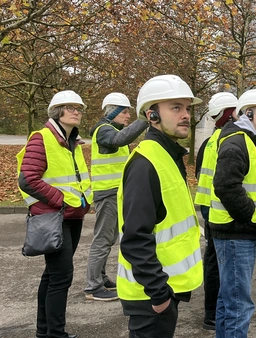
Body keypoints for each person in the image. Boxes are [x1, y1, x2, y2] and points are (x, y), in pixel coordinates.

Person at [117, 75, 204, 338]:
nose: (186, 115)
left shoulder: (168, 155)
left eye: (187, 108)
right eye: (176, 108)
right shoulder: (146, 163)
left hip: (163, 289)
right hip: (151, 295)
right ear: (152, 114)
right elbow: (135, 238)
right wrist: (159, 294)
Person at [17, 90, 93, 338]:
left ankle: (44, 331)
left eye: (78, 107)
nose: (76, 111)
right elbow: (27, 179)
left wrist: (83, 202)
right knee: (61, 277)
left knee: (52, 276)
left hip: (72, 216)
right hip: (55, 216)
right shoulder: (42, 138)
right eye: (69, 107)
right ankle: (56, 333)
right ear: (56, 111)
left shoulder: (73, 142)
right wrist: (61, 200)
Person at [209, 89, 256, 338]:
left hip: (235, 231)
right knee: (239, 304)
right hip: (235, 232)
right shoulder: (238, 141)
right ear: (248, 112)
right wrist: (254, 216)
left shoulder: (249, 139)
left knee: (230, 300)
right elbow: (226, 186)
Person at [85, 92, 149, 302]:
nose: (128, 115)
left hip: (115, 192)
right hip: (108, 193)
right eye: (124, 111)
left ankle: (101, 278)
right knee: (102, 239)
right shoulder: (104, 131)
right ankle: (93, 287)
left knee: (109, 238)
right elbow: (119, 140)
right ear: (112, 111)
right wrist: (144, 120)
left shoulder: (108, 129)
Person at [194, 92, 238, 331]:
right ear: (229, 113)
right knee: (217, 262)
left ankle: (212, 312)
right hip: (219, 210)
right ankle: (212, 313)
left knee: (212, 260)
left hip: (209, 208)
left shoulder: (210, 141)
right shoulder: (227, 141)